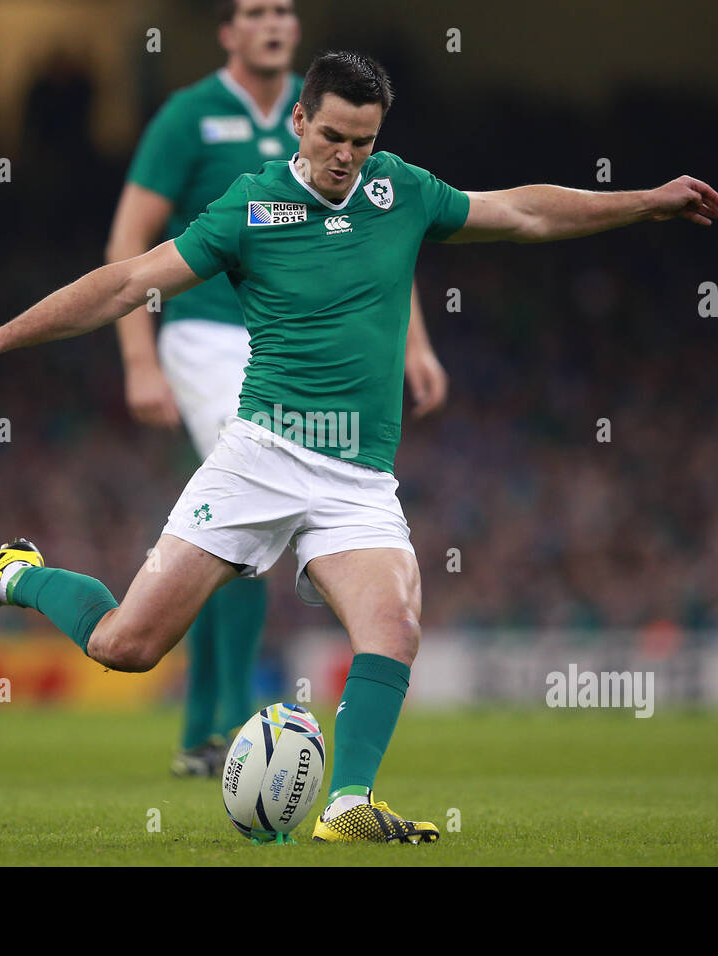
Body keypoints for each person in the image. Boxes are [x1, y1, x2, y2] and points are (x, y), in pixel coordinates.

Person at [0, 51, 718, 843]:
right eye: (332, 135)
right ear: (299, 121)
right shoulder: (249, 207)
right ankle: (17, 574)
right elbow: (129, 282)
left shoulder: (400, 190)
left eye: (362, 140)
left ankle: (348, 805)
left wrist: (644, 202)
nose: (346, 155)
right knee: (125, 646)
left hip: (357, 479)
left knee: (394, 627)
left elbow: (522, 211)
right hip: (261, 455)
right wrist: (1, 337)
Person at [106, 0, 447, 776]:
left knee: (255, 529)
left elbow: (380, 251)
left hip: (301, 345)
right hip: (207, 335)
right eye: (255, 10)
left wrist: (415, 345)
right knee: (252, 506)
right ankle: (217, 722)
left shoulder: (339, 109)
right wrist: (138, 359)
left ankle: (215, 730)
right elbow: (131, 245)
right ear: (228, 30)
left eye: (284, 10)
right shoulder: (189, 117)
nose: (273, 22)